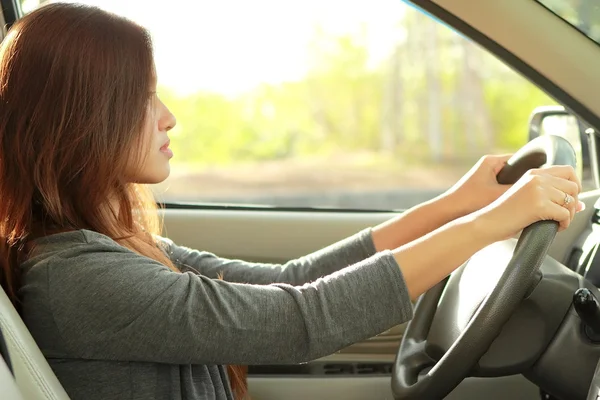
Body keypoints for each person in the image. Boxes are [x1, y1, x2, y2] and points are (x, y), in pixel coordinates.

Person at [0, 3, 584, 400]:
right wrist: (490, 225)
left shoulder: (111, 248)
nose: (168, 116)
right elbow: (299, 321)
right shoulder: (80, 277)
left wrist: (453, 206)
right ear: (82, 120)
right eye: (144, 98)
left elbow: (290, 278)